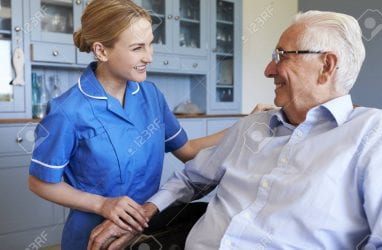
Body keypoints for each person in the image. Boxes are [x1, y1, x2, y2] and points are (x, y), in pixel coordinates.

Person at [89, 10, 382, 249]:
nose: (268, 69)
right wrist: (141, 216)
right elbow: (189, 177)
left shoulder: (376, 135)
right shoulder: (253, 127)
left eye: (281, 56)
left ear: (327, 65)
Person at [27, 0, 261, 249]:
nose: (149, 57)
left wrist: (245, 124)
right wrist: (102, 204)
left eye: (150, 44)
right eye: (138, 48)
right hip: (92, 237)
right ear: (102, 51)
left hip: (145, 229)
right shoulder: (68, 110)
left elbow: (188, 151)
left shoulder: (151, 96)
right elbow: (39, 182)